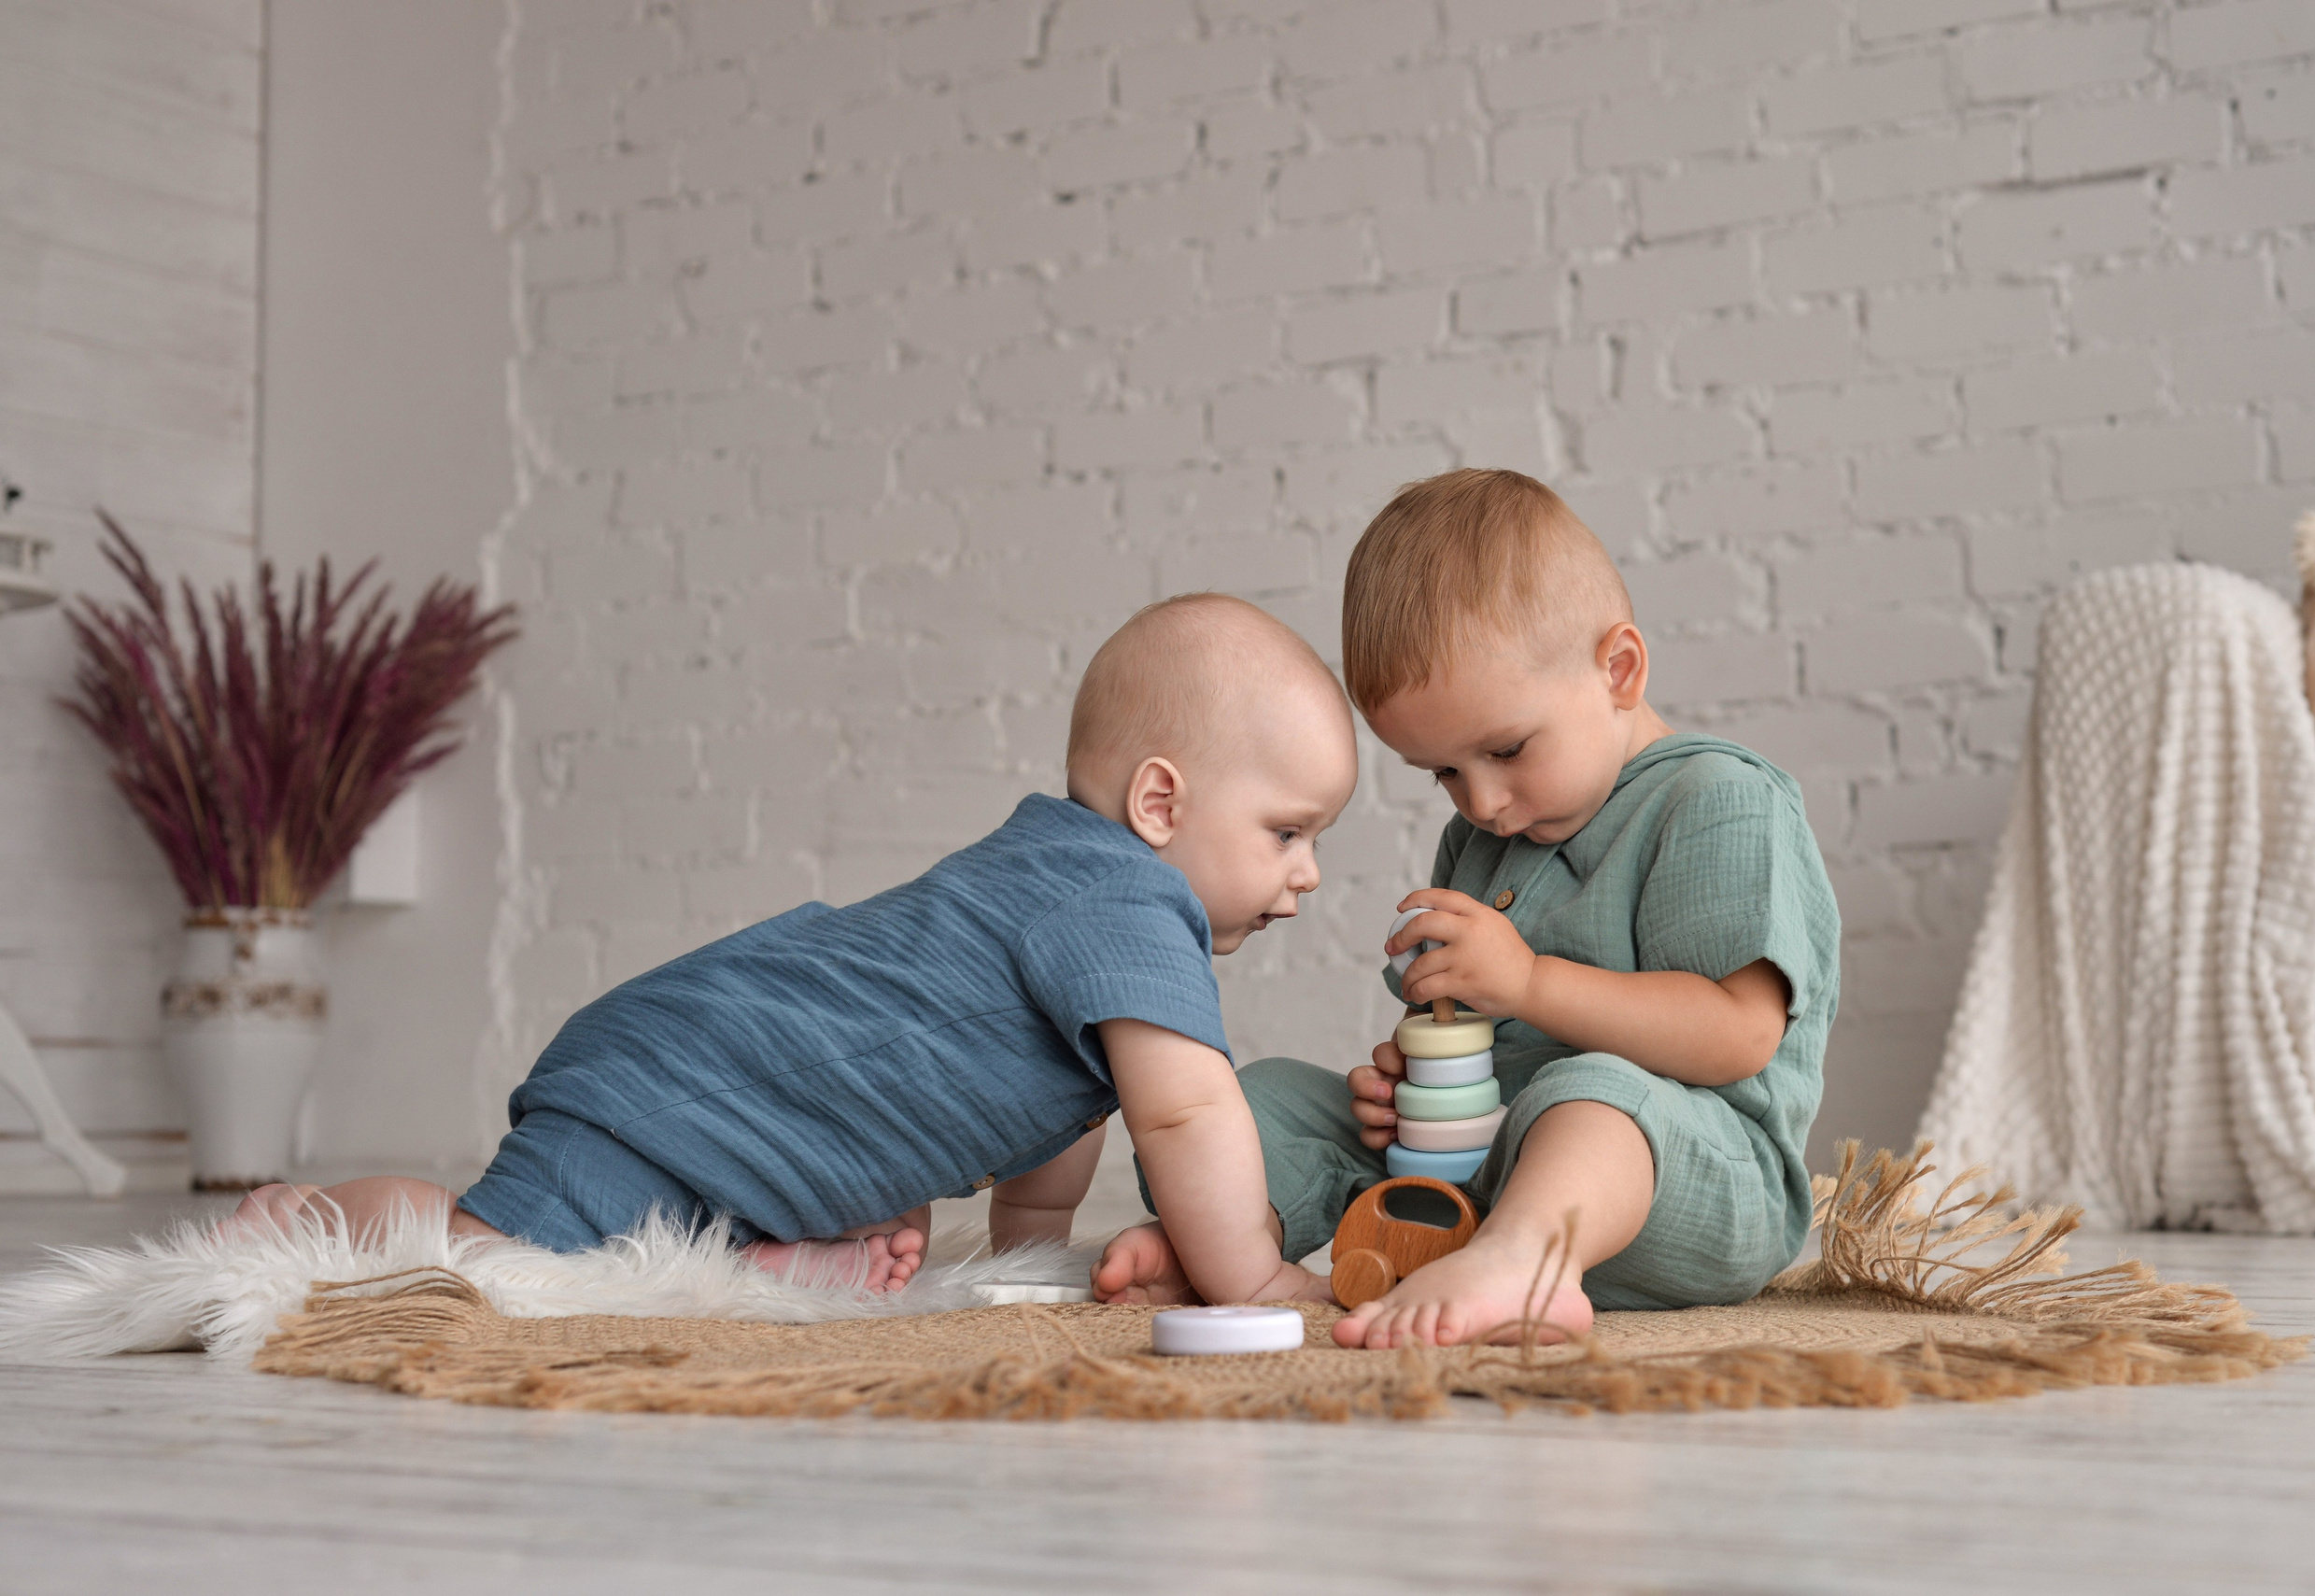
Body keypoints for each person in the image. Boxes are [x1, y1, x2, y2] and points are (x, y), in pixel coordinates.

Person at [229, 593, 1355, 1307]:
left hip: (752, 1099)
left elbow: (1076, 1103)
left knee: (788, 1230)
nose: (1305, 872)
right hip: (684, 1079)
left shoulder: (1068, 879)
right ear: (1159, 800)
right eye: (1287, 831)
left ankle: (767, 1259)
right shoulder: (1127, 900)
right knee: (489, 1253)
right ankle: (316, 1218)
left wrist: (1030, 1244)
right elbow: (1185, 1112)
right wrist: (1252, 1273)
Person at [1095, 469, 1841, 1349]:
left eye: (1505, 749)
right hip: (1479, 1162)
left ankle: (1528, 1258)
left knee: (1590, 1094)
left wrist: (1528, 982)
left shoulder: (1717, 801)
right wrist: (1413, 1087)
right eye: (1445, 772)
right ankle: (1227, 1251)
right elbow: (1469, 1031)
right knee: (1255, 1099)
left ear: (1619, 670)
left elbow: (1737, 1035)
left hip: (1686, 1177)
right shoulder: (1496, 830)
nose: (1481, 800)